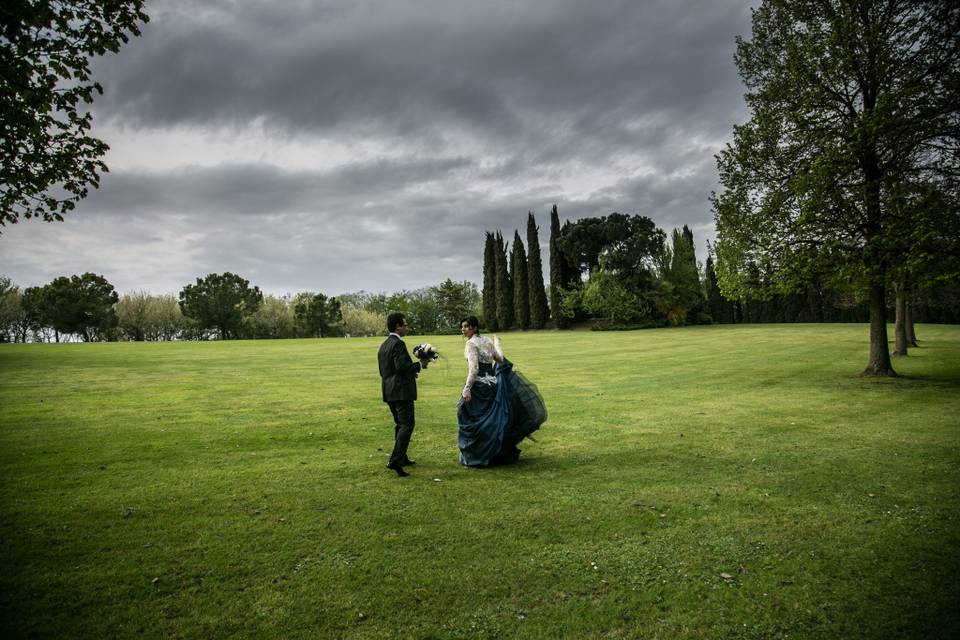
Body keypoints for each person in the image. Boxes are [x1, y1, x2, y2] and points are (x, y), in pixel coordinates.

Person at [457, 315, 546, 467]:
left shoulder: (471, 344)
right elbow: (500, 358)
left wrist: (467, 389)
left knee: (466, 413)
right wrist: (497, 343)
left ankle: (480, 455)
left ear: (475, 328)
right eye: (462, 327)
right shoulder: (487, 341)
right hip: (493, 385)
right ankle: (494, 453)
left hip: (479, 386)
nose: (463, 329)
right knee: (493, 419)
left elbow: (474, 369)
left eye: (466, 326)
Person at [378, 312, 430, 477]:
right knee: (407, 425)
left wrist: (410, 372)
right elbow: (401, 367)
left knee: (400, 425)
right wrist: (420, 365)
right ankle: (395, 460)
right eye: (405, 325)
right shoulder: (398, 344)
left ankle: (403, 457)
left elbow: (388, 370)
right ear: (398, 326)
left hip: (388, 390)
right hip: (401, 391)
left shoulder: (384, 345)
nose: (406, 327)